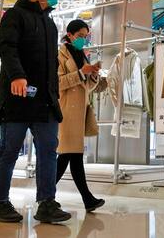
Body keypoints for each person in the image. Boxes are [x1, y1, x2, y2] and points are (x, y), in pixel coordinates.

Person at [0, 0, 71, 224]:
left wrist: (54, 93)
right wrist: (17, 76)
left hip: (45, 101)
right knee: (9, 150)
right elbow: (7, 47)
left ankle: (47, 202)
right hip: (18, 97)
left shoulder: (49, 23)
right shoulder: (14, 16)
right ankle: (0, 202)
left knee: (48, 150)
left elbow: (51, 65)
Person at [55, 20, 105, 212]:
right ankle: (45, 195)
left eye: (86, 36)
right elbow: (57, 83)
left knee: (72, 156)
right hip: (66, 111)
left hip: (79, 111)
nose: (83, 39)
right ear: (69, 35)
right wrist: (80, 73)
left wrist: (92, 75)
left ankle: (87, 199)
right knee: (68, 155)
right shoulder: (59, 54)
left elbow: (86, 88)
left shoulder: (81, 55)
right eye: (80, 36)